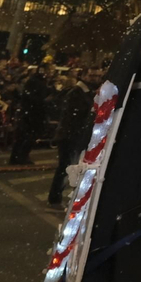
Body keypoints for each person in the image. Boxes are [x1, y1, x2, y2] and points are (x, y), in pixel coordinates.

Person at [48, 68, 102, 205]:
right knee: (66, 167)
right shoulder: (77, 93)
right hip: (70, 136)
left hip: (75, 136)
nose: (95, 78)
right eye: (92, 75)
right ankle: (55, 198)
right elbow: (75, 117)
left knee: (69, 167)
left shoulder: (86, 93)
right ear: (84, 76)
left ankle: (58, 197)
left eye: (97, 76)